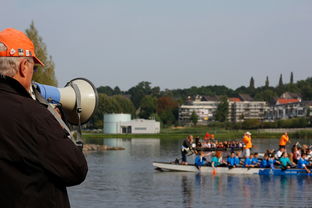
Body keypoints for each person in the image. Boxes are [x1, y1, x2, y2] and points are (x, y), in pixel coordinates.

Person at [0, 28, 88, 208]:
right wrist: (54, 121)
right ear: (24, 67)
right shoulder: (33, 115)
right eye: (33, 67)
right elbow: (76, 169)